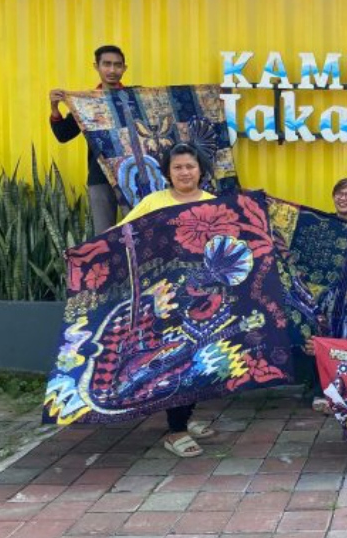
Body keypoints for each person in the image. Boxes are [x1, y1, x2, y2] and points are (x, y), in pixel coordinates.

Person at [117, 142, 217, 457]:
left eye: (190, 166)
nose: (184, 172)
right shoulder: (153, 202)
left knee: (199, 359)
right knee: (177, 358)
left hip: (203, 295)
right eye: (178, 167)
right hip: (165, 298)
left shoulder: (213, 204)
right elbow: (122, 235)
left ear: (200, 170)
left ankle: (186, 416)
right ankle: (176, 431)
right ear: (167, 172)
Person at [50, 45, 128, 234]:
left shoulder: (137, 99)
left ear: (124, 68)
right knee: (104, 235)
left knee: (139, 231)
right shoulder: (86, 103)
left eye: (117, 65)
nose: (112, 70)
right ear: (96, 66)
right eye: (106, 64)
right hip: (99, 175)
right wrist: (54, 108)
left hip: (132, 175)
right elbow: (63, 135)